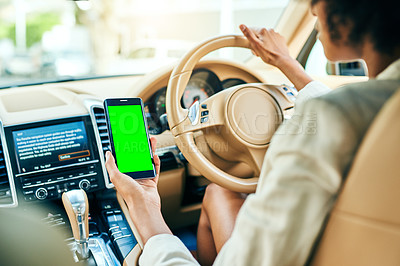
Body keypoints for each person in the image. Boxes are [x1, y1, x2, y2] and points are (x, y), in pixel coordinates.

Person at [105, 0, 400, 265]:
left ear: (348, 13)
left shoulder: (330, 118)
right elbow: (351, 110)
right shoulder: (375, 111)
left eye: (315, 1)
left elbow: (335, 114)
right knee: (218, 190)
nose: (311, 10)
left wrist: (145, 207)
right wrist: (287, 63)